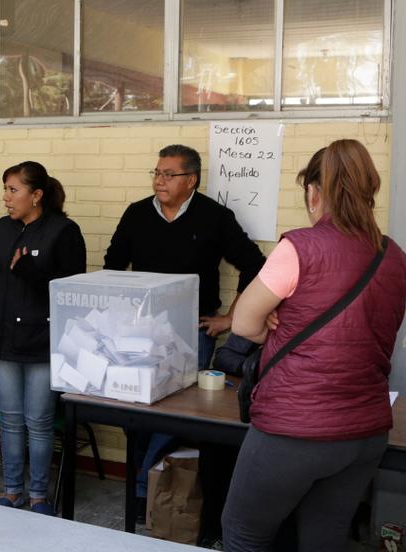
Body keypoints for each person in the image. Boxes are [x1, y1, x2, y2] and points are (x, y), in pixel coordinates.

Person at [222, 140, 406, 551]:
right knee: (323, 539)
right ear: (370, 190)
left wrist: (278, 326)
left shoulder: (300, 247)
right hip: (364, 432)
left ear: (313, 191)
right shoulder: (395, 257)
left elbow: (242, 323)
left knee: (244, 534)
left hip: (294, 430)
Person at [103, 144, 266, 532]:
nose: (159, 180)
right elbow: (112, 265)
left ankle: (146, 483)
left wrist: (230, 319)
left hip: (192, 333)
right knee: (137, 409)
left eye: (168, 174)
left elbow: (254, 264)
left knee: (176, 412)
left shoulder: (215, 217)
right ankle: (147, 482)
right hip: (141, 335)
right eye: (156, 173)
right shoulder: (137, 213)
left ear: (190, 180)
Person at [0, 160, 86, 515]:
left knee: (38, 421)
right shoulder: (4, 228)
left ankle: (38, 495)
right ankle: (12, 491)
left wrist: (34, 272)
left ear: (36, 196)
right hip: (2, 337)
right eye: (5, 189)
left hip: (41, 341)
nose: (5, 197)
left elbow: (72, 291)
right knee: (9, 418)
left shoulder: (64, 230)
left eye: (13, 190)